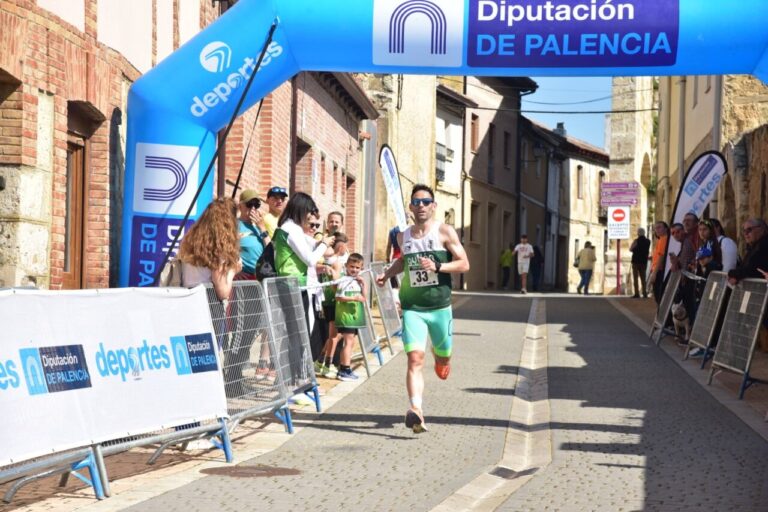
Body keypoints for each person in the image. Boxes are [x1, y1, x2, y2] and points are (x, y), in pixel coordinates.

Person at [376, 184, 469, 433]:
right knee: (415, 359)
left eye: (426, 202)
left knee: (443, 360)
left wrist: (438, 267)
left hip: (440, 307)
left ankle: (441, 359)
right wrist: (387, 274)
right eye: (416, 202)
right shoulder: (402, 236)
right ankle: (416, 409)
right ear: (410, 207)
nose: (421, 206)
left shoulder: (444, 232)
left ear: (433, 206)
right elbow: (403, 261)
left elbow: (464, 264)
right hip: (413, 307)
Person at [273, 193, 334, 387]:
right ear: (301, 210)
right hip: (292, 286)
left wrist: (322, 245)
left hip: (296, 286)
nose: (310, 218)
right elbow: (310, 259)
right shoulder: (290, 229)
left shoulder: (292, 228)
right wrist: (324, 245)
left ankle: (294, 380)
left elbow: (311, 248)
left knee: (299, 333)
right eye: (309, 213)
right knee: (298, 334)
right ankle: (293, 382)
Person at [178, 197, 240, 301]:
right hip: (207, 303)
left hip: (188, 299)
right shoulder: (218, 248)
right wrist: (234, 270)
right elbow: (223, 293)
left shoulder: (192, 241)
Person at [317, 233, 348, 378]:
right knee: (335, 335)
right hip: (334, 300)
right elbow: (336, 284)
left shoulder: (324, 261)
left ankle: (320, 360)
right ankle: (327, 366)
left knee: (336, 334)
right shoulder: (336, 262)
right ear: (341, 247)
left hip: (326, 300)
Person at [334, 253, 368, 382]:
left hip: (355, 316)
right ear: (346, 266)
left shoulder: (357, 280)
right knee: (348, 342)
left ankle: (344, 368)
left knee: (351, 342)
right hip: (346, 316)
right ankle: (345, 369)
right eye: (352, 266)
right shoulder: (344, 280)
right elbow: (338, 297)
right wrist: (353, 298)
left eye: (357, 267)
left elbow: (364, 298)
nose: (354, 269)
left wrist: (364, 284)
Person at [235, 189, 270, 280]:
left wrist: (262, 228)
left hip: (261, 276)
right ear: (240, 206)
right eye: (249, 204)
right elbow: (224, 250)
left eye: (256, 205)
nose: (253, 208)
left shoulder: (258, 227)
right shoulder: (234, 225)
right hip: (245, 278)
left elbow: (270, 249)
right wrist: (235, 271)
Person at [727, 219, 768, 285]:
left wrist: (733, 273)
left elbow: (753, 269)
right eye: (744, 231)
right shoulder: (754, 246)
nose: (745, 234)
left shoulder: (764, 245)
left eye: (749, 230)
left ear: (761, 229)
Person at [648, 221, 669, 304]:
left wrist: (654, 273)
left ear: (666, 229)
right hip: (657, 270)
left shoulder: (664, 239)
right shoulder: (661, 239)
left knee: (659, 296)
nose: (657, 230)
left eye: (659, 227)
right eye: (655, 228)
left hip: (659, 271)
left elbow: (661, 257)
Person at [630, 228, 651, 298]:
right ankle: (644, 293)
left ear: (638, 233)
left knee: (635, 278)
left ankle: (637, 293)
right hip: (644, 261)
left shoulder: (636, 241)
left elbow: (631, 249)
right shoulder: (648, 241)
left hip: (635, 261)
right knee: (643, 278)